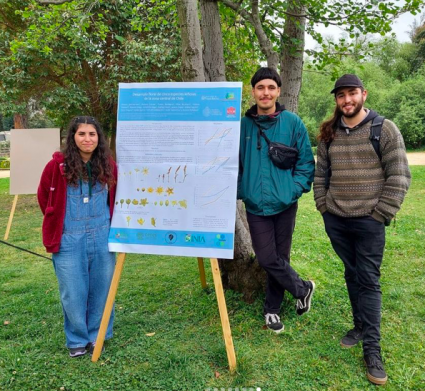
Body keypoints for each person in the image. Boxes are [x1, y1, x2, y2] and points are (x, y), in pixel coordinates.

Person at [314, 74, 411, 385]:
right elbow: (321, 174)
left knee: (368, 280)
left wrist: (380, 214)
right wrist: (323, 206)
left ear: (363, 94)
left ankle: (372, 349)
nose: (347, 100)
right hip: (337, 219)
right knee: (350, 272)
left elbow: (399, 175)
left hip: (370, 221)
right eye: (341, 95)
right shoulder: (329, 133)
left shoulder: (384, 129)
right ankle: (358, 325)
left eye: (352, 93)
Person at [238, 67, 316, 333]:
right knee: (266, 257)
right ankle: (303, 289)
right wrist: (244, 189)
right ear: (253, 92)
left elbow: (306, 163)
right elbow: (231, 164)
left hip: (285, 204)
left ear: (278, 92)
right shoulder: (243, 126)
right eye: (260, 88)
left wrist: (292, 190)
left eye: (271, 87)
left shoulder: (292, 123)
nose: (265, 93)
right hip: (256, 206)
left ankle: (272, 310)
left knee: (280, 256)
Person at [38, 116, 118, 358]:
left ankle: (98, 335)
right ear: (72, 137)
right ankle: (76, 339)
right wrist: (57, 224)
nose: (87, 139)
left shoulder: (109, 165)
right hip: (68, 237)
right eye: (81, 134)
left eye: (92, 134)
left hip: (102, 234)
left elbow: (115, 198)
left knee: (102, 288)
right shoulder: (57, 167)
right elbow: (44, 196)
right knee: (73, 291)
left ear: (98, 138)